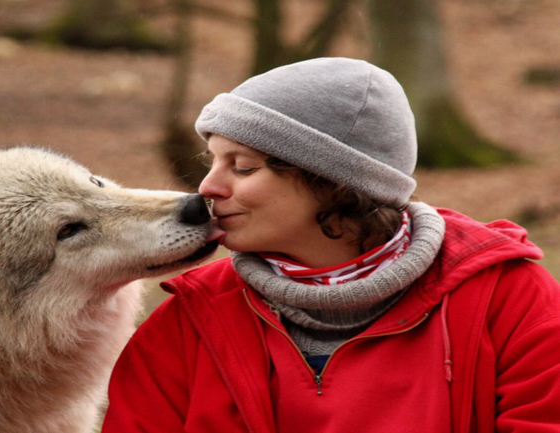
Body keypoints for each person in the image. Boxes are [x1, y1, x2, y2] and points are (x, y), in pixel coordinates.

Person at [101, 57, 560, 432]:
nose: (207, 188)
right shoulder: (190, 320)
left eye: (242, 167)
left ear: (331, 181)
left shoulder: (510, 299)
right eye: (213, 161)